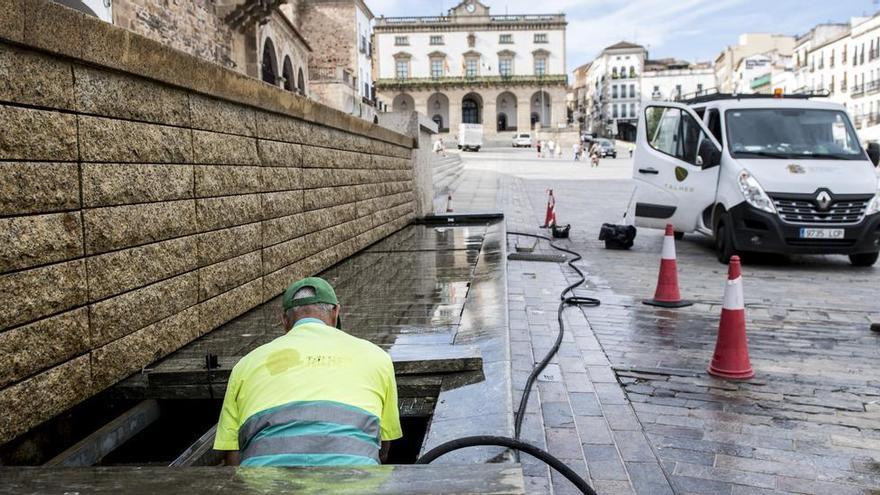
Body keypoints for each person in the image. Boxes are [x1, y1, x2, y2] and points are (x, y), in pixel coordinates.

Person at [214, 277, 402, 467]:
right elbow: (384, 448)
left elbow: (232, 456)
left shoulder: (245, 365)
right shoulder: (377, 357)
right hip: (355, 479)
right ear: (335, 312)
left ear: (284, 320)